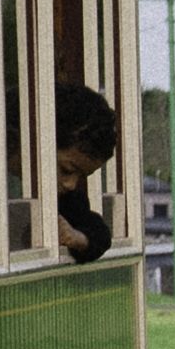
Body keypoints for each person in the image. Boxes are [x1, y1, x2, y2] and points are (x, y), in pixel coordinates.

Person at [52, 80, 122, 264]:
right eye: (66, 170)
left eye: (81, 177)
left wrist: (78, 238)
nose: (71, 185)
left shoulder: (69, 201)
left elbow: (100, 234)